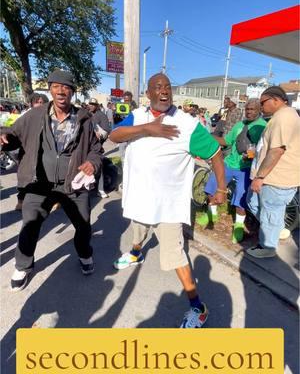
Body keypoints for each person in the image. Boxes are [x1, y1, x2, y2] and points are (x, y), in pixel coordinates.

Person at [109, 73, 226, 328]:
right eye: (157, 87)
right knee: (137, 229)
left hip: (168, 207)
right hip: (139, 198)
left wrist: (221, 189)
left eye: (168, 87)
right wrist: (146, 129)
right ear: (148, 93)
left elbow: (216, 154)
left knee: (175, 255)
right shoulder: (138, 116)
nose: (164, 91)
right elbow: (114, 135)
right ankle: (136, 253)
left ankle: (198, 307)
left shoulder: (187, 124)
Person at [0, 69, 102, 291]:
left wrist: (92, 163)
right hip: (40, 183)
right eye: (56, 86)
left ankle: (85, 254)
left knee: (83, 225)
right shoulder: (35, 115)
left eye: (66, 87)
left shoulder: (85, 119)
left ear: (73, 92)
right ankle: (23, 265)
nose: (61, 91)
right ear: (50, 89)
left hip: (72, 184)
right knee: (30, 223)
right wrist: (4, 136)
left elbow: (96, 148)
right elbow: (13, 134)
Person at [197, 99, 267, 243]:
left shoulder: (263, 127)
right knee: (211, 187)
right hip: (229, 163)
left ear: (259, 110)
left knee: (240, 198)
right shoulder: (239, 125)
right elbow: (226, 141)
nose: (249, 111)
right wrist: (207, 136)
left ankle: (239, 226)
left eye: (253, 109)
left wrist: (254, 155)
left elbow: (265, 149)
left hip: (246, 168)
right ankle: (212, 214)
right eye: (247, 109)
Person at [246, 86, 300, 258]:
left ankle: (267, 247)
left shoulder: (284, 118)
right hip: (272, 177)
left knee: (270, 211)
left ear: (276, 100)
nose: (261, 106)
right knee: (255, 203)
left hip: (276, 178)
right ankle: (275, 230)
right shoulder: (282, 117)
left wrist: (260, 176)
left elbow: (277, 150)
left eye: (263, 102)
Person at [87, 98, 110, 198]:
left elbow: (106, 132)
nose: (91, 106)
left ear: (97, 105)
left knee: (99, 168)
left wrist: (99, 137)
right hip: (86, 146)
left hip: (96, 146)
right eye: (90, 104)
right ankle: (85, 190)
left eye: (93, 104)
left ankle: (100, 190)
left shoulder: (102, 115)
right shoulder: (87, 114)